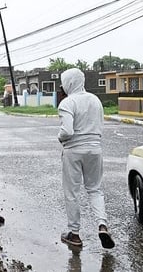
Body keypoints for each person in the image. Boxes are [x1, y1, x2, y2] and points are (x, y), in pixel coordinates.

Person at [57, 68, 115, 249]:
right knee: (95, 190)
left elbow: (67, 131)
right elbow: (100, 125)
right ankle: (102, 225)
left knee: (72, 192)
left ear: (69, 83)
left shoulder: (67, 103)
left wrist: (60, 137)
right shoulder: (95, 100)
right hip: (95, 149)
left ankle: (74, 234)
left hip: (73, 151)